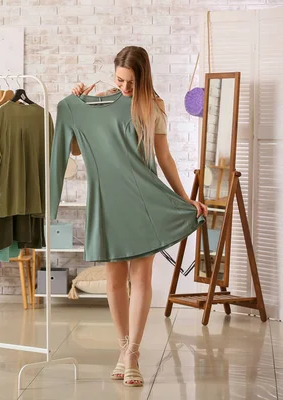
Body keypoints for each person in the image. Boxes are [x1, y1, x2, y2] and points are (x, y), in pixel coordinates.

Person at [70, 46, 208, 387]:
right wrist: (77, 107)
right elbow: (75, 149)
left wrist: (185, 197)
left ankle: (133, 352)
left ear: (143, 78)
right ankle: (123, 349)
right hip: (110, 201)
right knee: (115, 279)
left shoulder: (155, 107)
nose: (124, 88)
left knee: (141, 279)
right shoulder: (101, 102)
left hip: (143, 200)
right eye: (119, 80)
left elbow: (164, 158)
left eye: (131, 82)